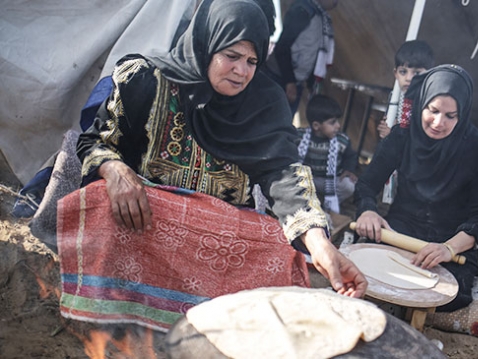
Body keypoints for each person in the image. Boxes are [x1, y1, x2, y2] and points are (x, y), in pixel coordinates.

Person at [76, 0, 366, 305]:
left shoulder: (265, 104)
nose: (241, 71)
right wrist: (115, 169)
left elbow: (283, 172)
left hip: (219, 239)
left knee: (279, 250)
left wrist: (318, 241)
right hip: (148, 225)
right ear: (207, 43)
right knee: (100, 205)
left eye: (252, 61)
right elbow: (94, 141)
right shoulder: (146, 80)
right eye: (231, 56)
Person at [353, 64, 478, 312]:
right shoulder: (402, 136)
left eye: (451, 116)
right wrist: (367, 211)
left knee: (451, 295)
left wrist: (448, 249)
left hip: (449, 242)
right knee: (361, 268)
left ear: (462, 116)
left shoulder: (476, 149)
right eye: (433, 110)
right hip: (401, 231)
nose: (439, 123)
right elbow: (367, 183)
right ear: (422, 103)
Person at [262, 0, 338, 115]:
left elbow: (314, 53)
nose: (336, 2)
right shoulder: (303, 11)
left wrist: (310, 83)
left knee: (282, 126)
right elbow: (283, 47)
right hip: (278, 79)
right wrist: (289, 82)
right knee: (268, 122)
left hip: (295, 81)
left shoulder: (321, 17)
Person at [297, 94, 358, 213]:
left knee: (349, 186)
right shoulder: (300, 137)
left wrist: (348, 169)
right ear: (316, 126)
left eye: (337, 121)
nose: (338, 126)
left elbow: (351, 156)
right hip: (309, 180)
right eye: (332, 122)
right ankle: (307, 202)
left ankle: (328, 203)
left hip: (329, 181)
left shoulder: (342, 140)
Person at [376, 40, 435, 139]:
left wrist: (393, 135)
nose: (408, 78)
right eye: (403, 72)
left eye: (416, 73)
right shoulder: (395, 96)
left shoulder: (429, 103)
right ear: (396, 74)